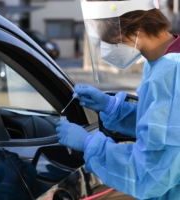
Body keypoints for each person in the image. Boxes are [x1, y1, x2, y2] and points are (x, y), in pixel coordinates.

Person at [56, 0, 180, 199]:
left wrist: (90, 145)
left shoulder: (173, 74)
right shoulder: (161, 63)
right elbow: (160, 127)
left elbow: (149, 175)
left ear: (136, 27)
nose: (107, 46)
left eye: (109, 38)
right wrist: (113, 107)